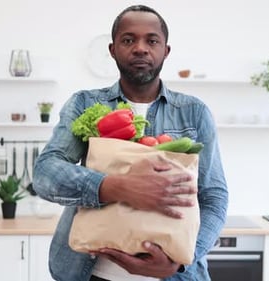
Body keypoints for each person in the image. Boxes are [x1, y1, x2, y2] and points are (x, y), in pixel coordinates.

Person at [33, 4, 228, 281]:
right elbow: (45, 173)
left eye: (152, 40)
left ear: (165, 51)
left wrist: (180, 262)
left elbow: (214, 197)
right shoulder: (85, 103)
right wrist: (116, 187)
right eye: (128, 40)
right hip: (92, 273)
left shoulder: (194, 112)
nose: (140, 48)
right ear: (113, 50)